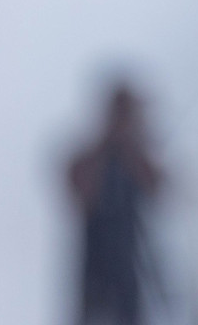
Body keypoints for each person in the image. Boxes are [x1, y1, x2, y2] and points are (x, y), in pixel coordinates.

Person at [67, 81, 164, 325]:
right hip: (95, 270)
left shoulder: (134, 156)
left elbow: (157, 187)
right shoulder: (92, 156)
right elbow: (79, 191)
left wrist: (129, 146)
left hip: (130, 268)